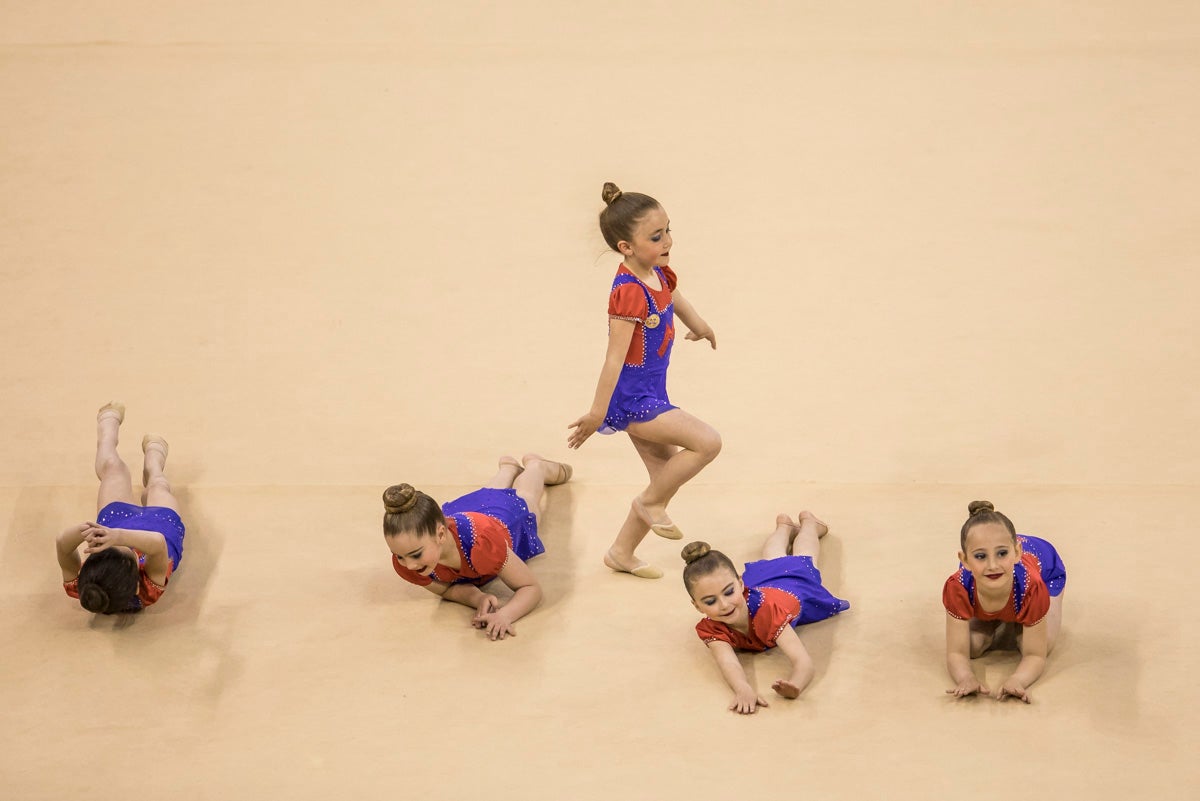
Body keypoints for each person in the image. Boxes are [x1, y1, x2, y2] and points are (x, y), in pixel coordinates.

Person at [568, 182, 721, 579]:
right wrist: (597, 413)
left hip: (652, 391)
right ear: (626, 247)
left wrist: (700, 326)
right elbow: (614, 358)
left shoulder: (658, 273)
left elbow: (675, 297)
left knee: (663, 480)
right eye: (656, 237)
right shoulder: (628, 292)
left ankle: (622, 551)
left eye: (669, 230)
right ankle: (648, 505)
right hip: (634, 400)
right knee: (707, 443)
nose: (668, 241)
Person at [383, 453, 571, 640]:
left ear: (441, 534)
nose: (409, 566)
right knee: (487, 494)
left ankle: (536, 467)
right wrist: (478, 598)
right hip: (471, 510)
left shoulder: (482, 544)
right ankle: (508, 469)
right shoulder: (408, 560)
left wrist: (505, 615)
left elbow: (531, 588)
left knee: (526, 498)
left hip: (505, 520)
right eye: (399, 556)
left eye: (415, 555)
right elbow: (447, 589)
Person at [682, 512, 850, 714]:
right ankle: (784, 526)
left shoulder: (769, 612)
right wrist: (743, 688)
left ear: (741, 583)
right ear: (697, 606)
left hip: (792, 585)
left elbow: (803, 662)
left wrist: (795, 685)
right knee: (772, 557)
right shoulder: (712, 628)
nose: (724, 604)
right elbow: (727, 661)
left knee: (802, 557)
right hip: (764, 586)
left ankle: (810, 525)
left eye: (729, 592)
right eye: (710, 601)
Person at [56, 402, 185, 614]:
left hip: (116, 521)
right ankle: (154, 459)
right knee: (156, 486)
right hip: (160, 527)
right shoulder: (148, 589)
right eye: (128, 553)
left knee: (114, 470)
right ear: (136, 585)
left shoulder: (85, 587)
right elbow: (157, 543)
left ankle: (107, 426)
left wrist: (89, 530)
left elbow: (62, 544)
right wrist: (116, 537)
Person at [943, 500, 1067, 703]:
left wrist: (1017, 680)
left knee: (1038, 644)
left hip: (1045, 571)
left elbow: (1036, 656)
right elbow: (956, 652)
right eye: (980, 556)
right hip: (991, 587)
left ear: (1016, 552)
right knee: (972, 647)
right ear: (964, 560)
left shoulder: (1032, 586)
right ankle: (1001, 615)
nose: (992, 565)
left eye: (1002, 553)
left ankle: (1015, 613)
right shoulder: (959, 586)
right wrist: (965, 678)